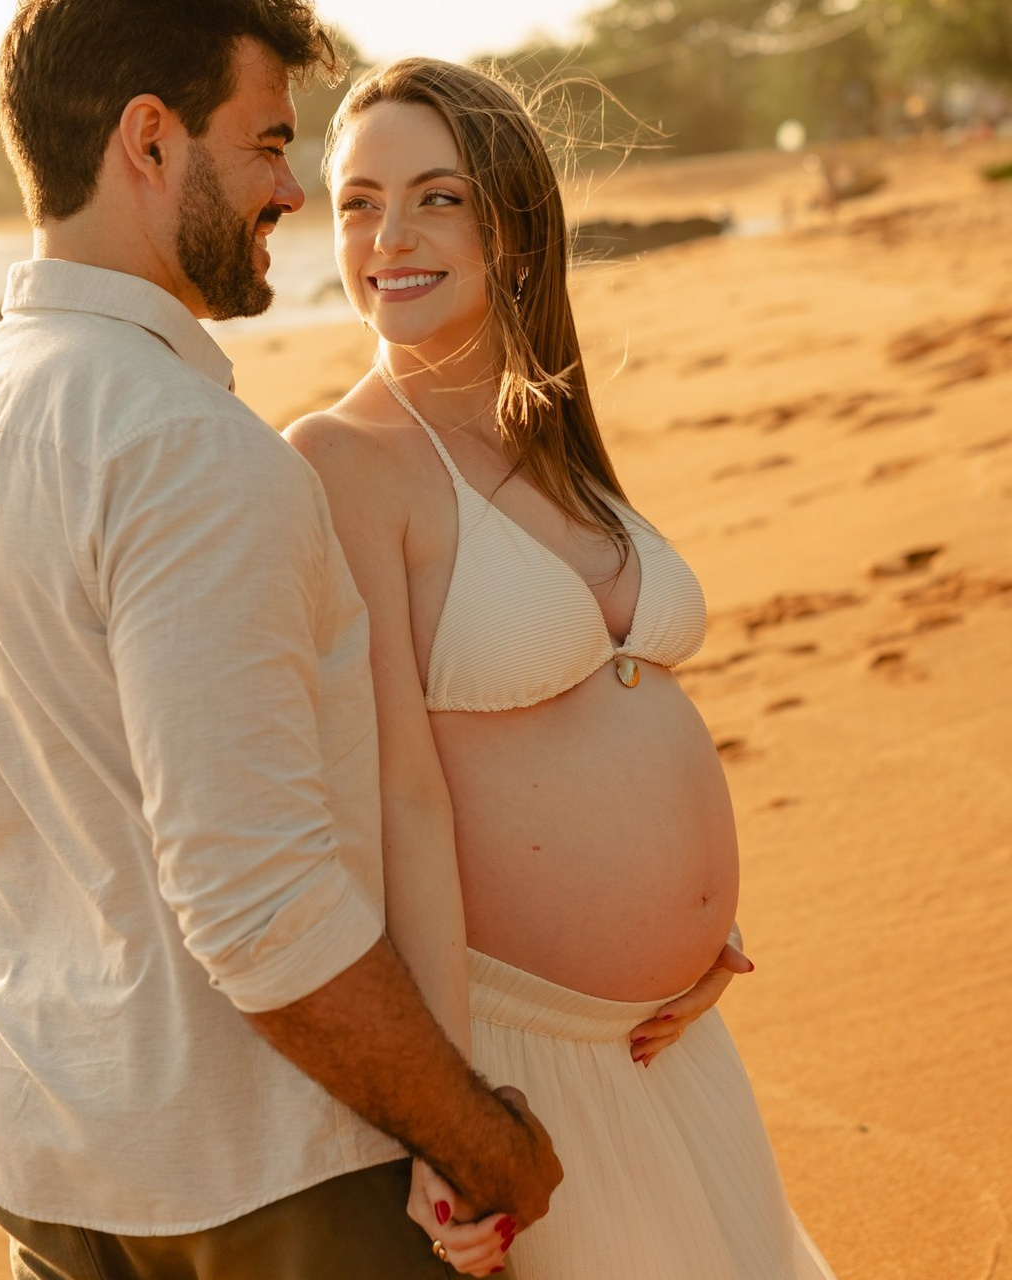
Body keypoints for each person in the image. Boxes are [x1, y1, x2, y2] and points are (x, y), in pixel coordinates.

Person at [0, 8, 563, 1279]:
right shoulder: (186, 448)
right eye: (264, 143)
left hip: (50, 1157)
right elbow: (254, 897)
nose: (290, 193)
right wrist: (476, 1132)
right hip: (262, 1181)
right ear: (150, 140)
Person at [286, 58, 838, 1279]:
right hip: (532, 1069)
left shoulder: (547, 427)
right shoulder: (339, 460)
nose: (388, 237)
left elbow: (611, 706)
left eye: (436, 196)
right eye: (356, 201)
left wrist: (696, 917)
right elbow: (404, 801)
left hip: (669, 1043)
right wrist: (450, 1111)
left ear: (511, 220)